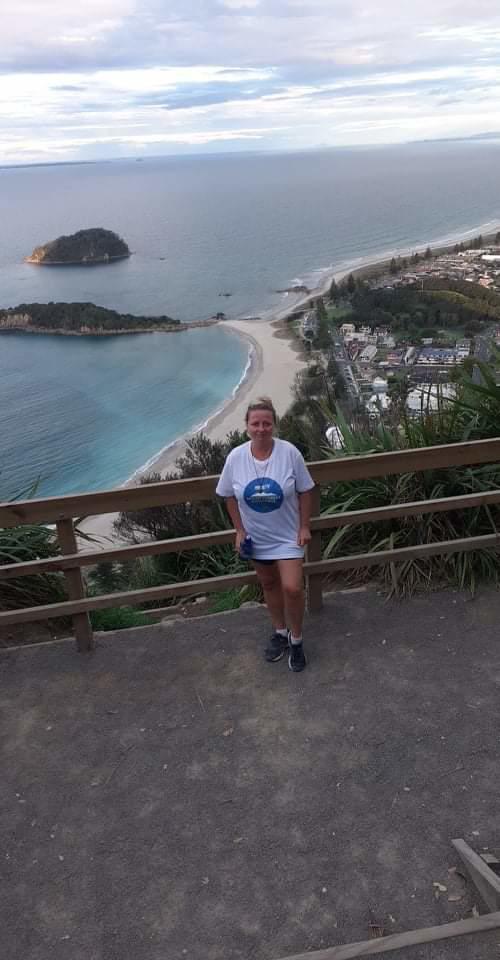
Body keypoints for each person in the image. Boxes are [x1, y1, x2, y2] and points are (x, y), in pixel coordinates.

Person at [216, 396, 315, 672]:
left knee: (293, 588)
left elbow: (306, 490)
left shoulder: (289, 453)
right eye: (256, 423)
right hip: (256, 538)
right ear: (247, 426)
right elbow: (227, 495)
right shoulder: (236, 458)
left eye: (266, 423)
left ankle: (297, 640)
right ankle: (280, 632)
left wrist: (304, 526)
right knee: (269, 585)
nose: (261, 429)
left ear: (274, 425)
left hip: (288, 536)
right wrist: (239, 530)